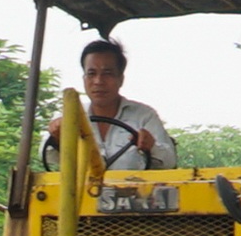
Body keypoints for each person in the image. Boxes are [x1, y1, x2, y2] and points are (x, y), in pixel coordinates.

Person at [73, 37, 176, 171]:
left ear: (121, 79)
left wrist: (152, 146)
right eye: (91, 74)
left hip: (132, 191)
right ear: (84, 78)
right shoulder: (71, 118)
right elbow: (47, 153)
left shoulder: (144, 116)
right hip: (80, 192)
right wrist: (58, 137)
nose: (98, 81)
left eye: (107, 73)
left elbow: (170, 161)